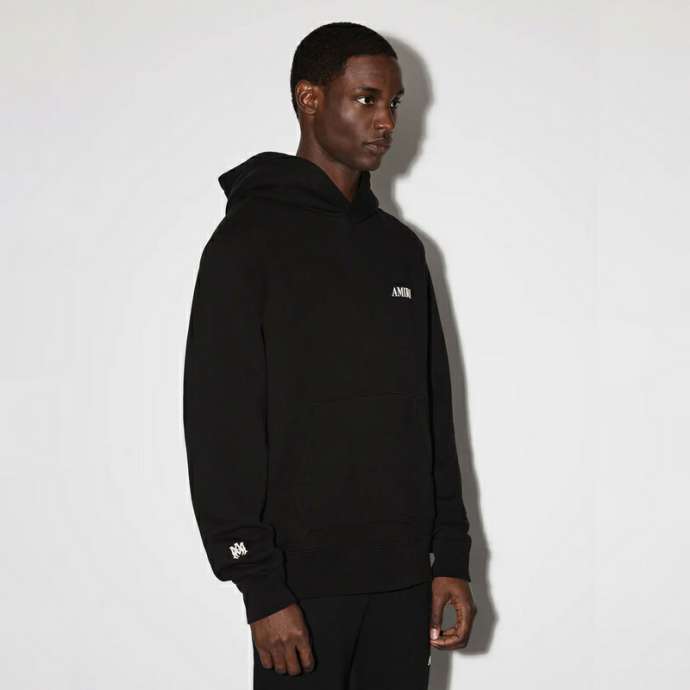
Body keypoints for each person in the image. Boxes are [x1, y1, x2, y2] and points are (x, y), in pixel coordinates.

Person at [183, 21, 477, 689]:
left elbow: (433, 413)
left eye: (394, 103)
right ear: (310, 98)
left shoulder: (400, 250)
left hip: (403, 584)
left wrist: (451, 556)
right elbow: (220, 424)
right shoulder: (247, 244)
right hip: (300, 592)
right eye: (366, 99)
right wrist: (260, 587)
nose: (387, 121)